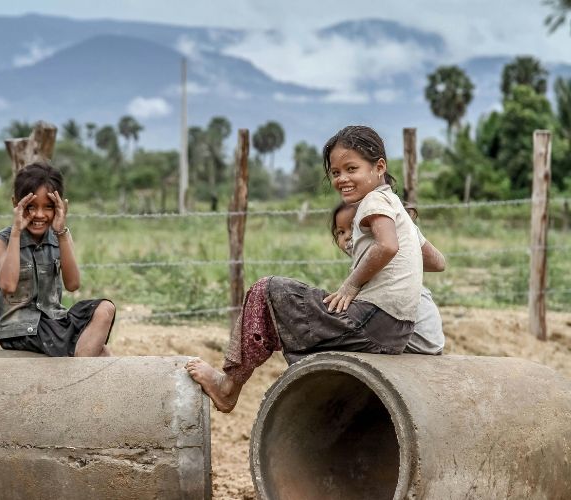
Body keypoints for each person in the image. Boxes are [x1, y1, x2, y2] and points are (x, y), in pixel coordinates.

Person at [186, 125, 422, 412]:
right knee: (293, 305)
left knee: (267, 290)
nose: (342, 179)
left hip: (371, 322)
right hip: (396, 331)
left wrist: (351, 285)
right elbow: (436, 260)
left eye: (351, 168)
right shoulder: (398, 208)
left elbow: (387, 247)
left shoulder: (374, 200)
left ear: (379, 167)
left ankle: (229, 386)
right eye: (336, 173)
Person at [0, 161, 115, 357]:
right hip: (21, 329)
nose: (39, 214)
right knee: (100, 352)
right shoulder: (2, 241)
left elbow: (73, 284)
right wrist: (16, 233)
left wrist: (61, 232)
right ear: (16, 204)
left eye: (48, 207)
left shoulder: (60, 236)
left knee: (105, 309)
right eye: (30, 207)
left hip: (54, 323)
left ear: (59, 206)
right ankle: (78, 377)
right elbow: (8, 285)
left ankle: (79, 370)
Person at [331, 201, 446, 355]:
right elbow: (438, 263)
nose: (347, 237)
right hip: (429, 342)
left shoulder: (385, 261)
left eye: (354, 228)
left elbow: (439, 263)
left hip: (417, 342)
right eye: (340, 232)